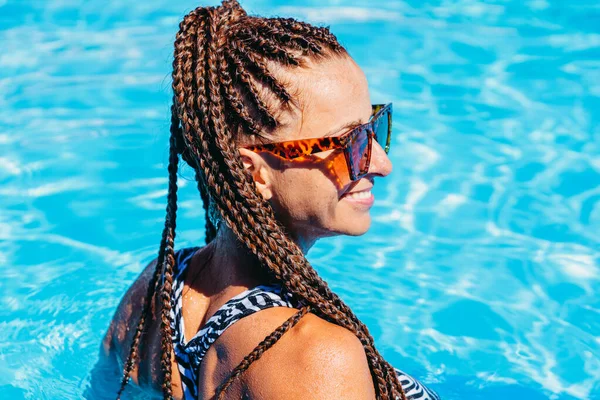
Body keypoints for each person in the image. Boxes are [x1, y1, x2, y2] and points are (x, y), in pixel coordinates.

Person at [97, 1, 440, 399]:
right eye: (350, 142)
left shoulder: (158, 288)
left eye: (375, 126)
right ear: (253, 173)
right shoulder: (318, 358)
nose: (381, 163)